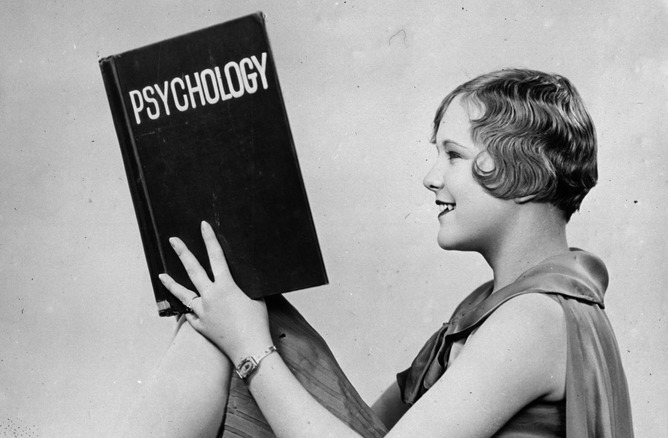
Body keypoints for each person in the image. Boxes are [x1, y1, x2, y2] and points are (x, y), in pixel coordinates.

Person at [133, 69, 634, 437]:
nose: (431, 176)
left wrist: (248, 347)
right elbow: (370, 426)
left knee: (225, 327)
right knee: (221, 312)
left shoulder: (534, 319)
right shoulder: (503, 308)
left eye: (453, 154)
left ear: (524, 172)